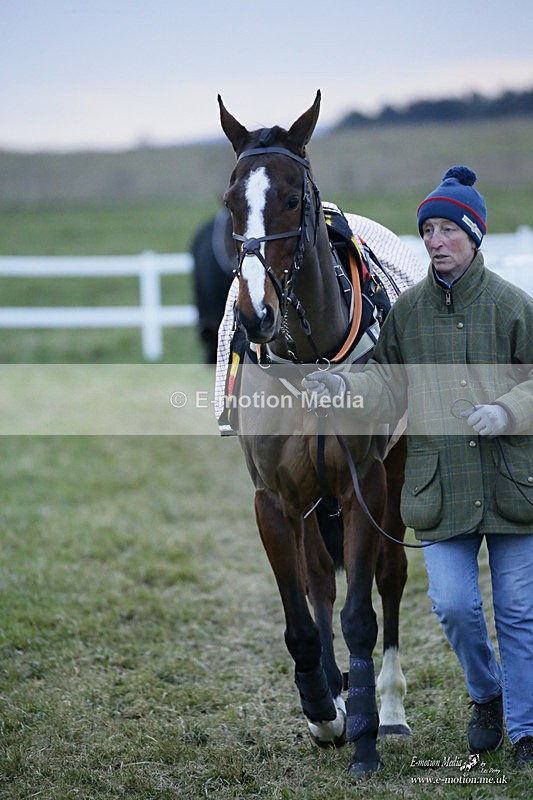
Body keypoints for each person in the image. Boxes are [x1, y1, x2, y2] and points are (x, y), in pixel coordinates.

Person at [302, 166, 533, 766]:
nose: (434, 241)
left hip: (514, 487)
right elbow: (386, 390)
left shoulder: (514, 307)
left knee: (517, 612)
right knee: (454, 606)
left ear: (474, 235)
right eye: (427, 230)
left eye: (446, 230)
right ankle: (486, 695)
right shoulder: (406, 315)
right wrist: (344, 392)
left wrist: (507, 411)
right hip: (443, 489)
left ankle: (526, 727)